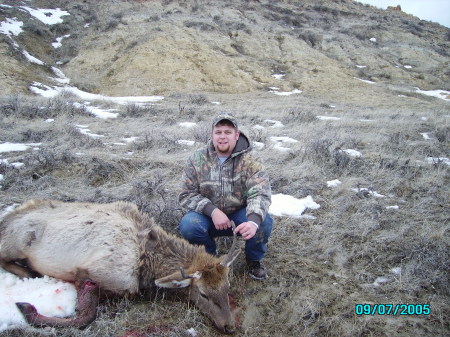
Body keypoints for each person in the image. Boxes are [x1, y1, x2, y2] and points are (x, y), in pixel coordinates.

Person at [178, 113, 273, 280]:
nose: (222, 137)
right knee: (188, 225)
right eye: (218, 132)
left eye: (228, 132)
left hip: (239, 216)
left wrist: (252, 221)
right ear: (212, 135)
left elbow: (259, 192)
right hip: (207, 217)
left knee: (263, 222)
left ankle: (253, 260)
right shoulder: (196, 159)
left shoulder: (251, 160)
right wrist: (212, 211)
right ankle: (210, 258)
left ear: (237, 135)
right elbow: (186, 193)